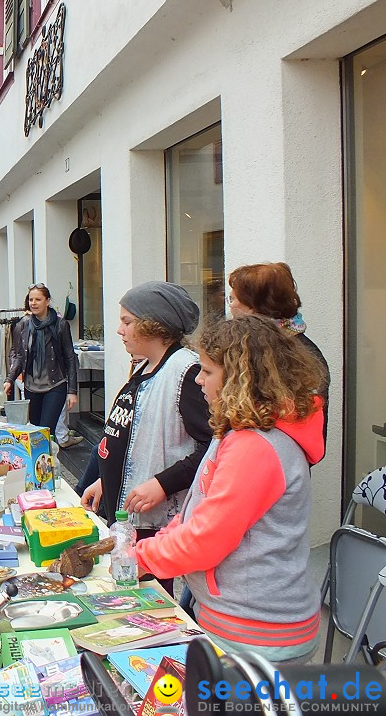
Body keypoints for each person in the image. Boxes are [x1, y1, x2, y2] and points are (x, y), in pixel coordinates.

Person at [136, 315, 326, 661]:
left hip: (258, 633)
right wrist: (152, 548)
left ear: (241, 378)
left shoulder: (256, 446)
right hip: (241, 621)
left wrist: (141, 558)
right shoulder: (239, 431)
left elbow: (206, 539)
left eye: (207, 371)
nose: (198, 379)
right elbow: (197, 512)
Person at [81, 282, 212, 591]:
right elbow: (133, 435)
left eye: (127, 321)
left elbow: (213, 449)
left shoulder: (186, 373)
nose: (118, 330)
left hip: (153, 525)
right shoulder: (144, 367)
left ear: (154, 324)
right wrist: (106, 480)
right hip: (129, 517)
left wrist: (162, 483)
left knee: (149, 603)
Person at [227, 262, 330, 441]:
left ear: (253, 307)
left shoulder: (301, 355)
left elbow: (310, 429)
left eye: (233, 299)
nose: (230, 307)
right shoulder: (250, 345)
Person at [4, 284, 79, 438]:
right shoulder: (22, 325)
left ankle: (48, 460)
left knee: (46, 431)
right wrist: (9, 379)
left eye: (38, 299)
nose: (33, 303)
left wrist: (72, 391)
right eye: (31, 299)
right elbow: (19, 356)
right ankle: (44, 461)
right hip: (31, 387)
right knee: (35, 433)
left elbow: (70, 358)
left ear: (47, 301)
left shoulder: (60, 325)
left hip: (55, 385)